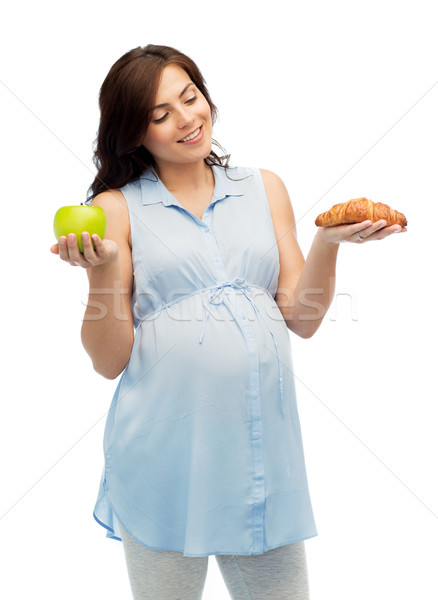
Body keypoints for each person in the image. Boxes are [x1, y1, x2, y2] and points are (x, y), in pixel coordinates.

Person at [50, 44, 406, 600]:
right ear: (134, 133)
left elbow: (303, 319)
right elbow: (107, 361)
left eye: (189, 98)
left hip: (259, 456)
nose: (186, 119)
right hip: (165, 458)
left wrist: (328, 242)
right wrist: (102, 274)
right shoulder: (116, 208)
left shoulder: (264, 187)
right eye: (159, 115)